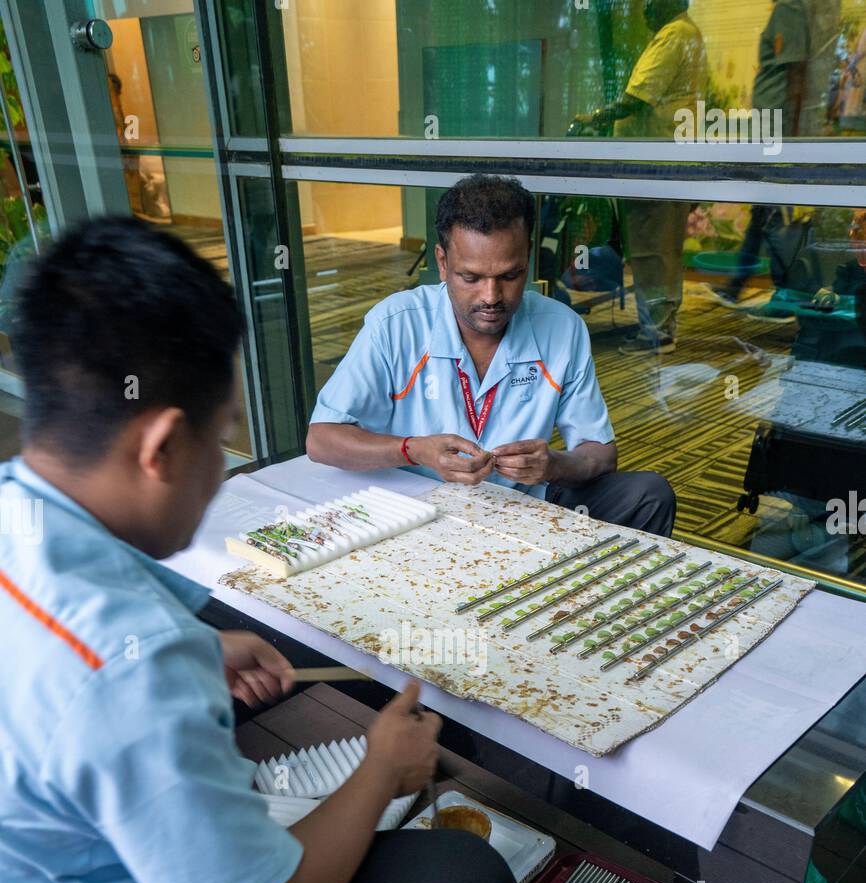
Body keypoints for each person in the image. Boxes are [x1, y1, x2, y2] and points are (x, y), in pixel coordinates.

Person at [0, 216, 620, 883]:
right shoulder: (125, 664)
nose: (221, 472)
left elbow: (61, 695)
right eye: (219, 443)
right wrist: (383, 769)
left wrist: (201, 653)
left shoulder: (19, 513)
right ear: (159, 445)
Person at [307, 174, 675, 537]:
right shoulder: (395, 324)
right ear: (442, 262)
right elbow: (321, 440)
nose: (491, 296)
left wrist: (554, 464)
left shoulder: (563, 328)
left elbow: (601, 454)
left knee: (649, 495)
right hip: (418, 511)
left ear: (528, 258)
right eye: (471, 277)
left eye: (510, 276)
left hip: (525, 505)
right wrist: (415, 450)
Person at [572, 0, 708, 354]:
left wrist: (595, 118)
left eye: (650, 2)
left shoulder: (674, 35)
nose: (645, 9)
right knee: (662, 248)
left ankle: (656, 333)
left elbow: (638, 97)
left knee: (651, 249)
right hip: (669, 160)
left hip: (654, 164)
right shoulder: (686, 33)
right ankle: (661, 327)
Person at [713, 0, 841, 310]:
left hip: (778, 131)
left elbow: (796, 74)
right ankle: (739, 285)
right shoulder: (794, 10)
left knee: (775, 214)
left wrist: (791, 140)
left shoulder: (790, 8)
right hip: (776, 129)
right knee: (764, 210)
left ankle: (798, 293)